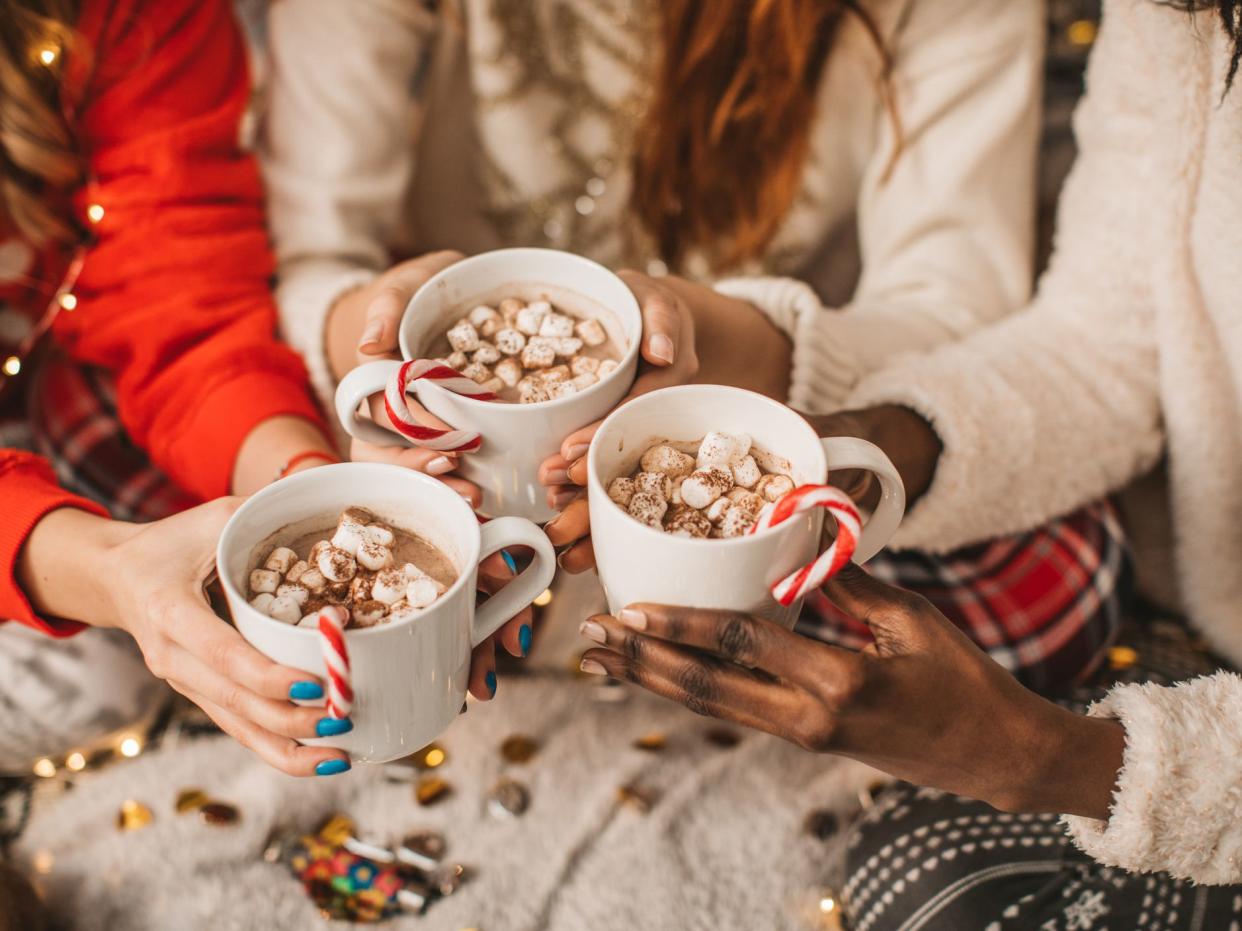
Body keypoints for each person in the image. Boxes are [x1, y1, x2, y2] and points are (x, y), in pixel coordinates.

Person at [577, 0, 1242, 923]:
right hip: (1207, 606)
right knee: (913, 861)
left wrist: (1050, 759)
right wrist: (876, 441)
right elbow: (1104, 342)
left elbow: (952, 292)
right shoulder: (1183, 15)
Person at [268, 0, 1128, 692]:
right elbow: (307, 256)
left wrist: (712, 333)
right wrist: (375, 339)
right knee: (244, 478)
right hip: (458, 450)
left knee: (1045, 571)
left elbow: (953, 313)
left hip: (772, 417)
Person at [0, 0, 524, 778]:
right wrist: (102, 570)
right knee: (84, 690)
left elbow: (177, 301)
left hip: (50, 346)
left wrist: (305, 485)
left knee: (226, 512)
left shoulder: (119, 18)